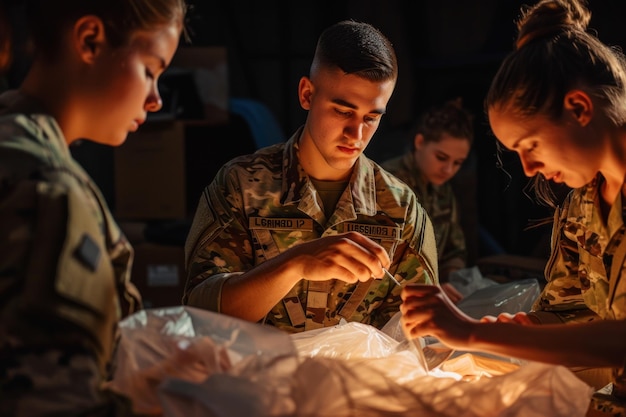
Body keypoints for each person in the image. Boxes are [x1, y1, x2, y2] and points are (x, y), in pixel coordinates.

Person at [400, 0, 626, 414]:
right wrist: (513, 330)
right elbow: (569, 310)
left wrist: (473, 335)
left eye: (530, 145)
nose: (528, 168)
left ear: (579, 108)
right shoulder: (583, 206)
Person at [183, 20, 439, 334]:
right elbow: (198, 312)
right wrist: (295, 263)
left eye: (371, 118)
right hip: (258, 380)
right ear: (307, 94)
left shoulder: (400, 210)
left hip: (356, 381)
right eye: (343, 111)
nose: (356, 134)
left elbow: (422, 333)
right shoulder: (242, 186)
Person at [0, 0, 186, 415]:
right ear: (90, 41)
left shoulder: (13, 139)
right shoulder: (48, 189)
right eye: (150, 70)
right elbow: (53, 401)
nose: (156, 99)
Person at [381, 98, 473, 304]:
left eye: (457, 163)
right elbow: (383, 261)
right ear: (419, 142)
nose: (448, 170)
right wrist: (430, 285)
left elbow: (454, 249)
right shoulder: (387, 184)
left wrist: (452, 279)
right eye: (441, 157)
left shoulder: (443, 191)